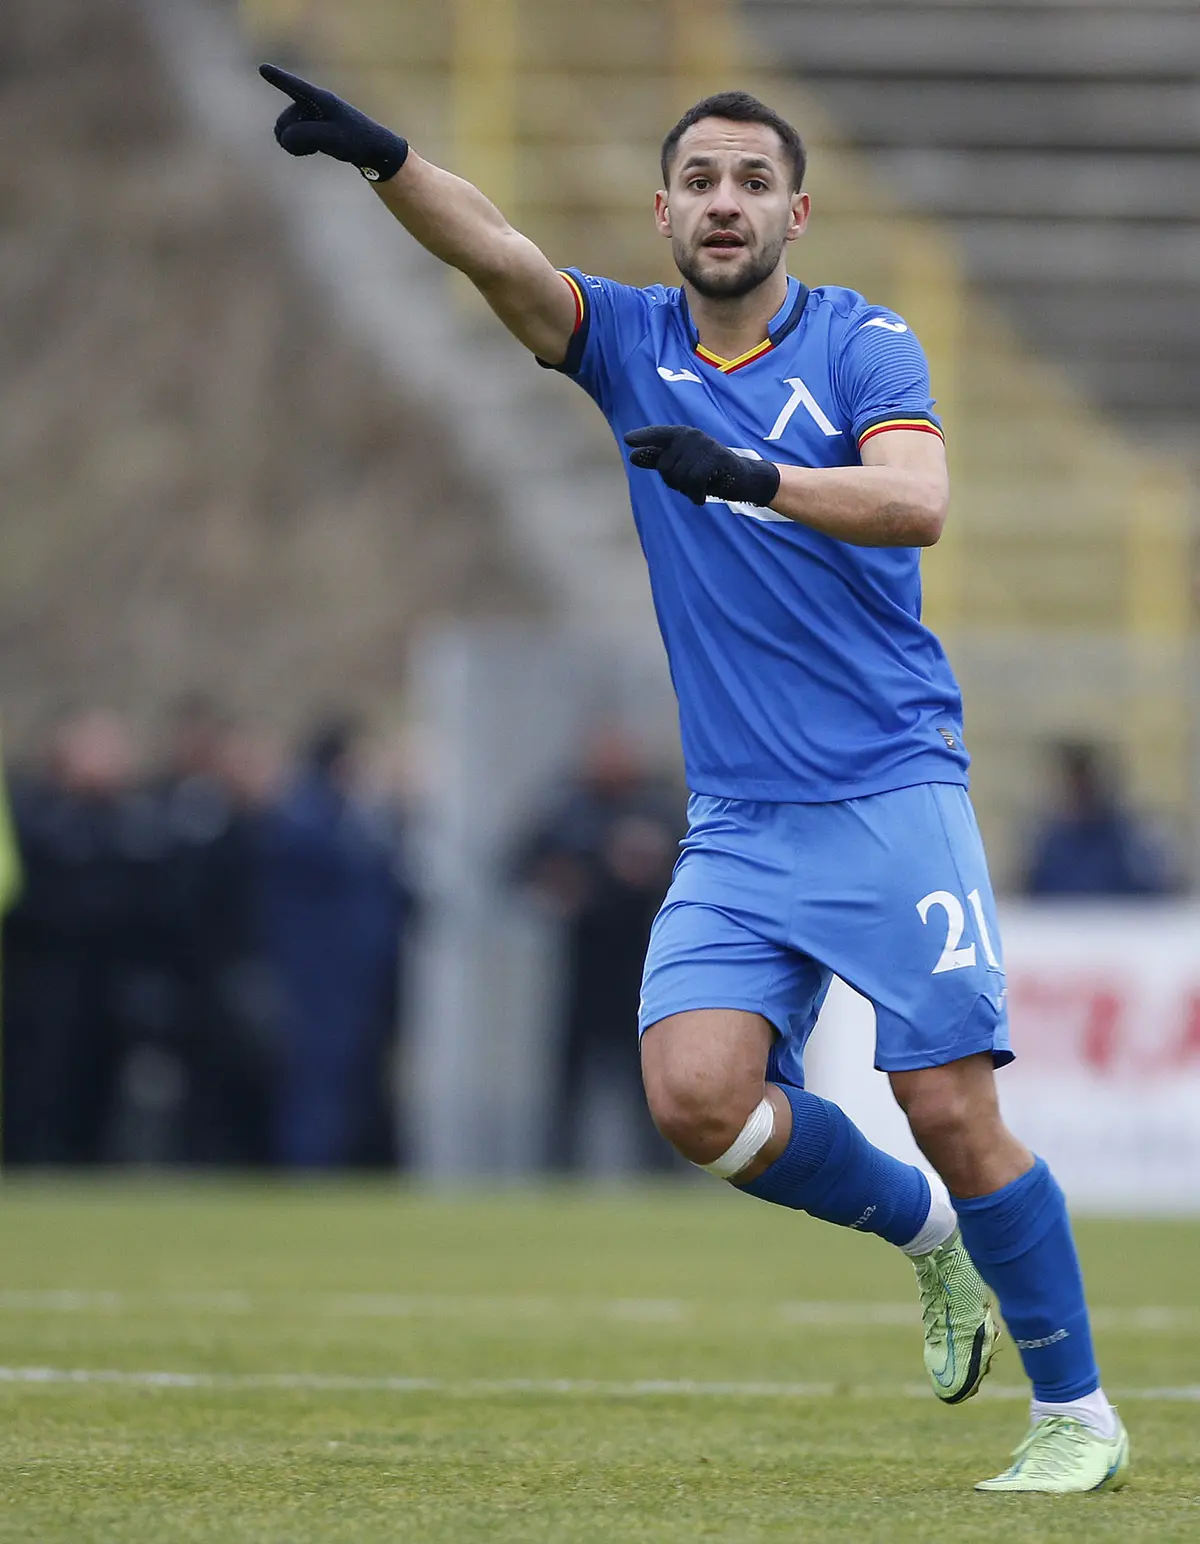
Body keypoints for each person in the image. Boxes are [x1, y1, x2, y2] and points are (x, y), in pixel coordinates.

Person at [258, 69, 1127, 1493]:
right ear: (664, 212)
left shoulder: (862, 341)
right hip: (738, 820)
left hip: (889, 792)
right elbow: (499, 254)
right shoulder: (630, 343)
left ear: (798, 212)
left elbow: (917, 501)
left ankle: (1077, 1415)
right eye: (702, 182)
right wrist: (385, 159)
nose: (727, 203)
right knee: (696, 1099)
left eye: (753, 182)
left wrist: (750, 475)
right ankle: (930, 1239)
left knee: (952, 1108)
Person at [514, 727, 683, 1172]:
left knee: (646, 1076)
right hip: (583, 965)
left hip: (641, 966)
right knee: (570, 1080)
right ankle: (557, 1169)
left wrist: (649, 869)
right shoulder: (567, 808)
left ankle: (660, 1171)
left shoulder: (655, 808)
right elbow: (519, 867)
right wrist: (559, 886)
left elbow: (689, 867)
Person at [255, 719, 413, 1168]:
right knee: (316, 1079)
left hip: (355, 977)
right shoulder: (307, 816)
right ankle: (308, 1168)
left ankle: (338, 1165)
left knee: (350, 1081)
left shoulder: (346, 817)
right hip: (319, 977)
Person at [1025, 741, 1177, 898]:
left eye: (1084, 787)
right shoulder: (1048, 845)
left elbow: (1150, 897)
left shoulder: (1126, 841)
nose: (1078, 795)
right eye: (1072, 787)